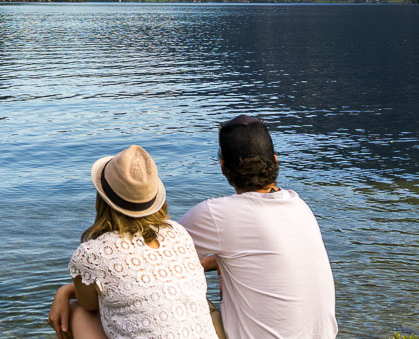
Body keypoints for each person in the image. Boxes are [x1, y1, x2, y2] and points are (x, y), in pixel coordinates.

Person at [179, 115, 338, 339]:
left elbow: (153, 253)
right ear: (275, 161)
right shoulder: (298, 205)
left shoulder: (216, 214)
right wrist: (206, 264)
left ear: (223, 167)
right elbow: (260, 253)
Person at [48, 145, 219, 339]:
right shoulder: (177, 232)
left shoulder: (92, 254)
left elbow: (89, 304)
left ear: (102, 199)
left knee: (78, 311)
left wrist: (63, 292)